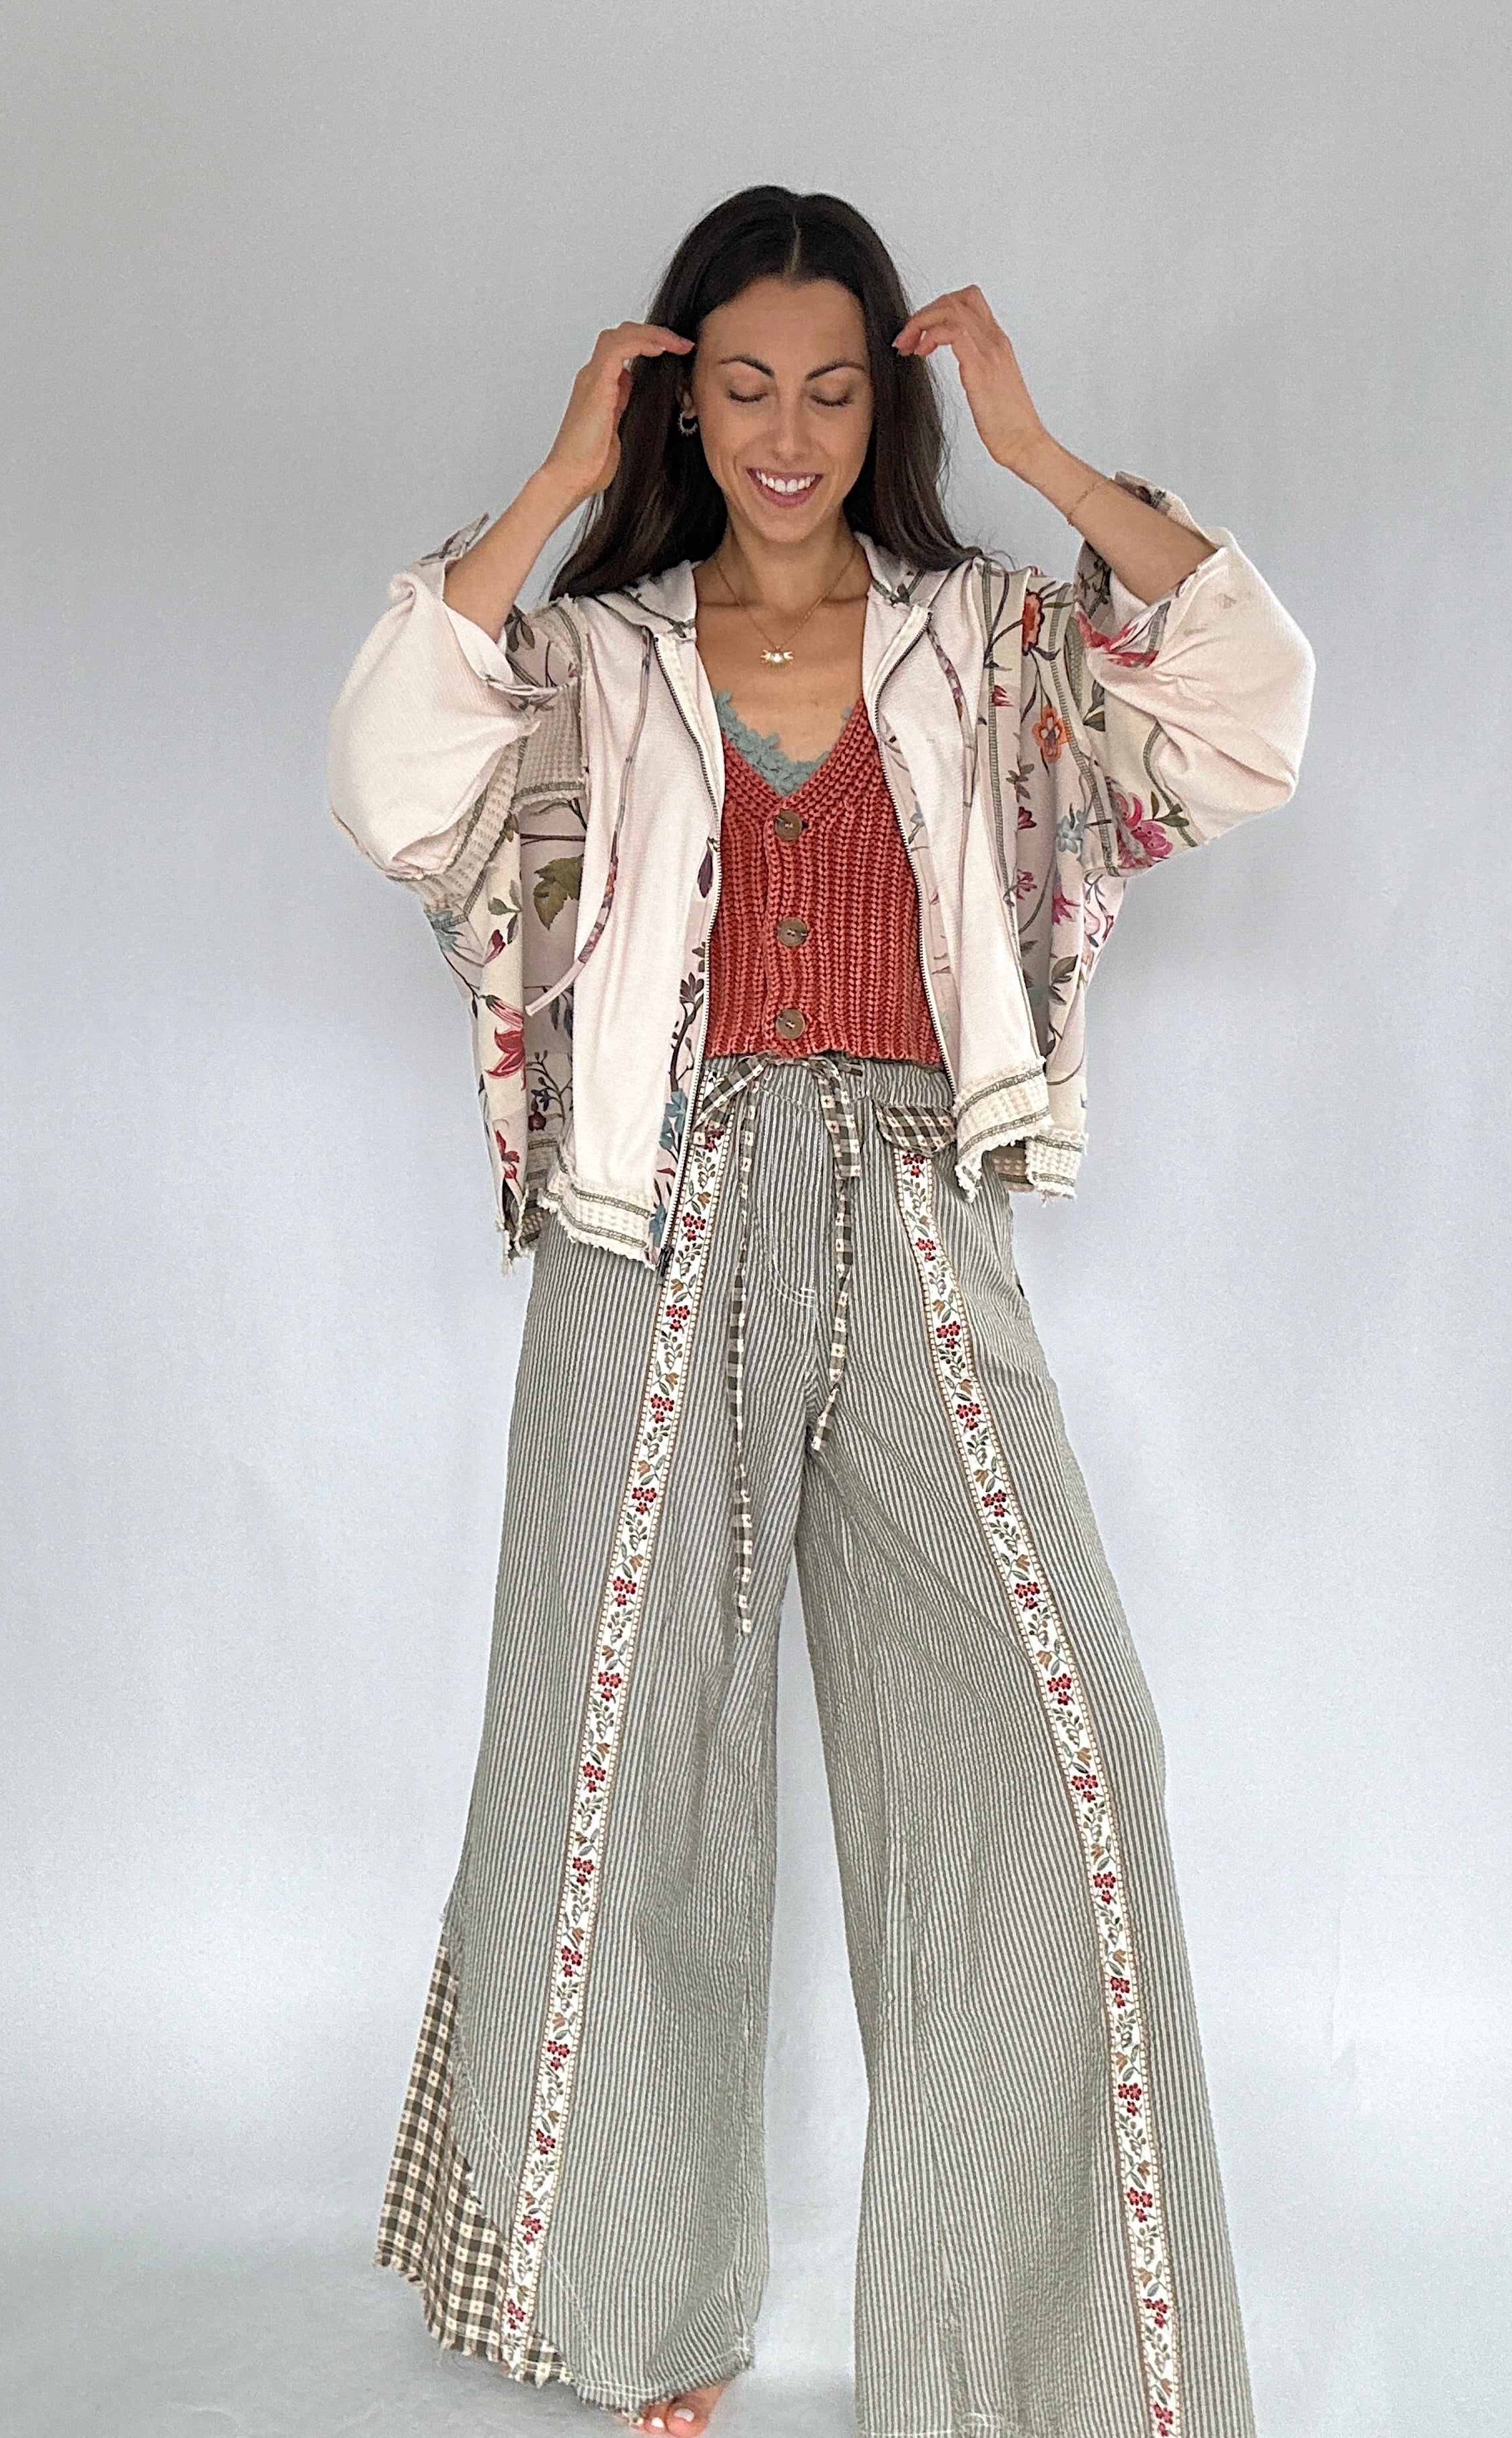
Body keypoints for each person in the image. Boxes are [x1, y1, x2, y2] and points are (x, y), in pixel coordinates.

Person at [326, 184, 1315, 2438]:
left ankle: (1021, 2358)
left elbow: (1248, 714)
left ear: (889, 411)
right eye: (746, 387)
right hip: (640, 1218)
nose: (788, 434)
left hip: (909, 1200)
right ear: (682, 401)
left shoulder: (985, 644)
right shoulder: (591, 657)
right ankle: (628, 2307)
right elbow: (386, 780)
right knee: (619, 1759)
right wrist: (553, 483)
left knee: (1062, 1742)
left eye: (836, 390)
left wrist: (1046, 460)